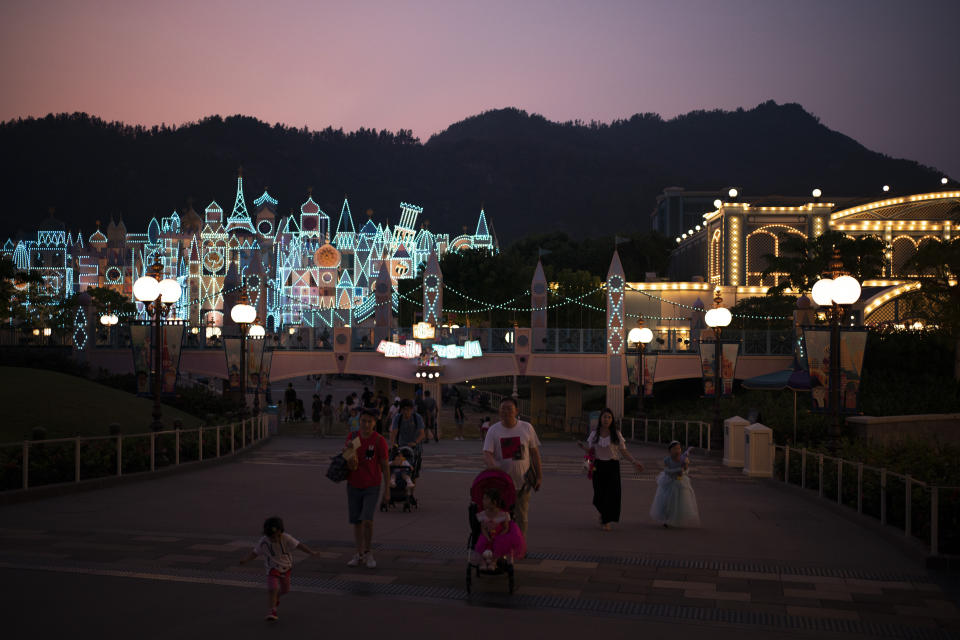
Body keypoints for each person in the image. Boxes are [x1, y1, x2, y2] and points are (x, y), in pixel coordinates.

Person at [483, 398, 542, 538]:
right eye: (503, 408)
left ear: (517, 411)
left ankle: (519, 545)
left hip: (523, 482)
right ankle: (502, 544)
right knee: (502, 516)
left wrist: (539, 476)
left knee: (521, 515)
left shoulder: (527, 427)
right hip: (502, 484)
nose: (505, 411)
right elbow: (487, 453)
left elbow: (534, 453)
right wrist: (494, 469)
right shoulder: (493, 430)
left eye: (509, 408)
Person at [239, 516, 317, 622]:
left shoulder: (287, 537)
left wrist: (311, 552)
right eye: (271, 537)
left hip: (286, 567)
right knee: (273, 589)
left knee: (285, 590)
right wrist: (246, 560)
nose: (274, 539)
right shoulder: (264, 541)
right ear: (266, 534)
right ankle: (272, 611)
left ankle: (276, 599)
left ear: (281, 531)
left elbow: (299, 545)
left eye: (277, 536)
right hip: (272, 568)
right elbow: (255, 553)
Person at [581, 408, 644, 531]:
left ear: (612, 420)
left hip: (613, 466)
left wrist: (634, 461)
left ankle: (606, 520)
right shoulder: (594, 434)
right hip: (598, 467)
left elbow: (623, 451)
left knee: (612, 495)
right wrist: (583, 449)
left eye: (609, 417)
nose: (606, 419)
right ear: (601, 419)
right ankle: (603, 514)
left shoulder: (616, 434)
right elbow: (591, 452)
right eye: (604, 417)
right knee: (599, 495)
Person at [343, 409, 389, 568]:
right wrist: (349, 450)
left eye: (369, 421)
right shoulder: (354, 438)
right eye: (363, 420)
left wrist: (387, 489)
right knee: (356, 521)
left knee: (367, 520)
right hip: (354, 484)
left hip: (372, 485)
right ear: (359, 421)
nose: (366, 424)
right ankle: (359, 553)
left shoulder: (378, 440)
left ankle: (369, 552)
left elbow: (384, 465)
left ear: (374, 423)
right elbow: (351, 463)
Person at [649, 441, 700, 528]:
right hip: (669, 482)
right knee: (666, 501)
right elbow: (666, 470)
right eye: (675, 449)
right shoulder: (667, 459)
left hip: (680, 482)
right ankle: (666, 518)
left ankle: (676, 519)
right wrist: (677, 470)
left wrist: (683, 470)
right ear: (670, 451)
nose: (677, 451)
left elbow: (686, 470)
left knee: (679, 502)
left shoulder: (684, 459)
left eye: (679, 448)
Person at [474, 487, 525, 569]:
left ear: (494, 502)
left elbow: (506, 528)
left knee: (499, 545)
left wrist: (500, 535)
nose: (483, 501)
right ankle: (483, 562)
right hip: (487, 535)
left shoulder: (503, 515)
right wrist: (487, 536)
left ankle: (494, 562)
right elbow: (483, 528)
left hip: (499, 535)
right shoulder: (483, 515)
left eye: (486, 499)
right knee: (481, 543)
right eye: (483, 499)